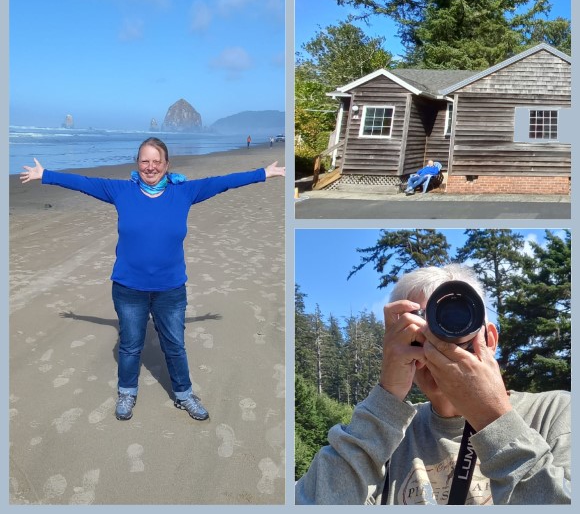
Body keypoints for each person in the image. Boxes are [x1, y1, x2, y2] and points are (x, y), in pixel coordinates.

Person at [20, 137, 285, 423]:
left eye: (156, 161)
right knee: (130, 345)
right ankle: (127, 392)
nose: (150, 167)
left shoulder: (184, 191)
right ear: (137, 163)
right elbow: (85, 182)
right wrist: (45, 174)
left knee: (175, 346)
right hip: (128, 288)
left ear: (167, 165)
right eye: (145, 161)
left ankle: (184, 395)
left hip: (170, 289)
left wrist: (263, 173)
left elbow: (223, 182)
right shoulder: (121, 190)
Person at [295, 264, 570, 505]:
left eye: (454, 326)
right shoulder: (388, 435)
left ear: (490, 339)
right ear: (395, 348)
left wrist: (493, 419)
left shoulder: (555, 412)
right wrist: (386, 397)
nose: (438, 346)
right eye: (419, 334)